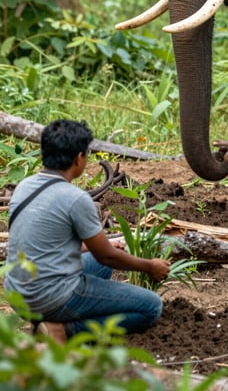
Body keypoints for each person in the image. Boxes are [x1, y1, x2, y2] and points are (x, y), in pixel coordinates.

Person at [4, 119, 170, 343]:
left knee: (101, 267)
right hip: (50, 298)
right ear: (78, 158)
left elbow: (42, 241)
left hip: (18, 294)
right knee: (151, 306)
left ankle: (49, 320)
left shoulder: (25, 186)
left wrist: (94, 247)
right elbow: (107, 256)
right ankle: (65, 329)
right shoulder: (76, 198)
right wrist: (150, 266)